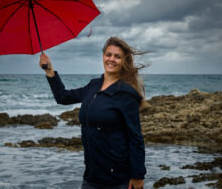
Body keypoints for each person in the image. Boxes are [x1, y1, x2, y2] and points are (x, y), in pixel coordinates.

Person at [39, 37, 146, 189]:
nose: (112, 59)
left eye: (117, 56)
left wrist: (137, 175)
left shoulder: (126, 93)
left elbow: (135, 137)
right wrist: (49, 70)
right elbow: (63, 97)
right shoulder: (93, 85)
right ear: (103, 56)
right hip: (91, 176)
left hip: (117, 179)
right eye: (108, 54)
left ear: (124, 61)